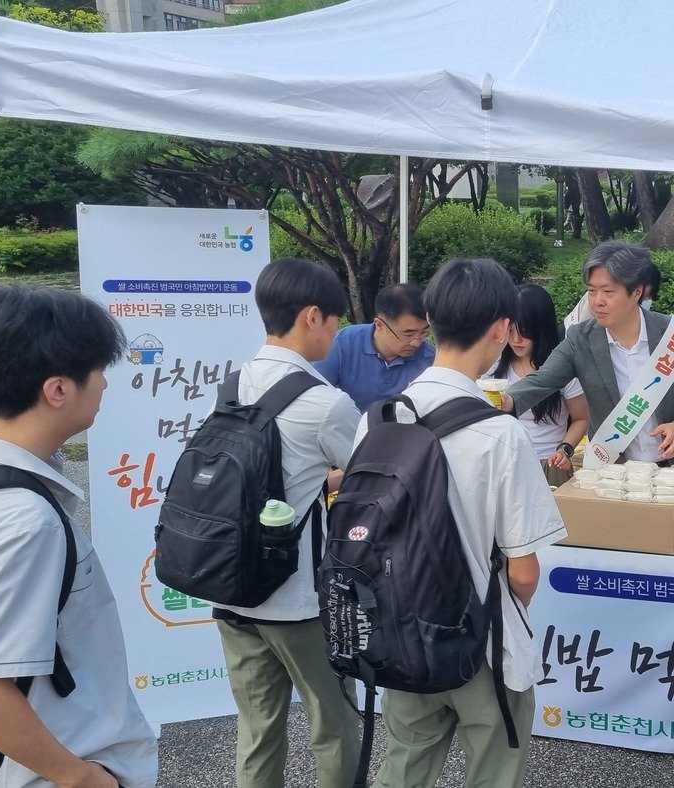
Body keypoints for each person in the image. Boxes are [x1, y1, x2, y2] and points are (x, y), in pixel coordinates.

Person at [371, 259, 566, 788]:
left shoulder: (382, 417)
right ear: (502, 328)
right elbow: (523, 572)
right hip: (484, 642)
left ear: (431, 320)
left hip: (404, 631)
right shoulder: (501, 434)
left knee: (403, 768)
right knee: (493, 771)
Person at [0, 286, 158, 788]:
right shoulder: (26, 520)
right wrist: (83, 779)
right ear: (58, 390)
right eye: (98, 369)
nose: (105, 383)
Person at [213, 258, 361, 788]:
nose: (337, 333)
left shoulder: (231, 385)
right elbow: (369, 476)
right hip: (297, 601)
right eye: (335, 321)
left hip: (231, 591)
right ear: (312, 316)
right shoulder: (325, 403)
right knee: (335, 726)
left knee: (257, 730)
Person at [506, 242, 674, 466]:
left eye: (608, 292)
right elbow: (542, 380)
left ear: (636, 292)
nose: (597, 302)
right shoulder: (580, 340)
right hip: (613, 470)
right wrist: (507, 400)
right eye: (592, 291)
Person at [488, 284, 590, 486]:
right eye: (510, 331)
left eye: (525, 332)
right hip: (506, 463)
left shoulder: (561, 368)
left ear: (541, 329)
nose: (516, 340)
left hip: (549, 463)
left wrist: (565, 449)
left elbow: (581, 418)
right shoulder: (494, 365)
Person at [313, 283, 434, 414]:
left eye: (423, 333)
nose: (416, 343)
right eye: (408, 334)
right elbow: (316, 396)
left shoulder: (431, 359)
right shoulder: (342, 344)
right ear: (380, 325)